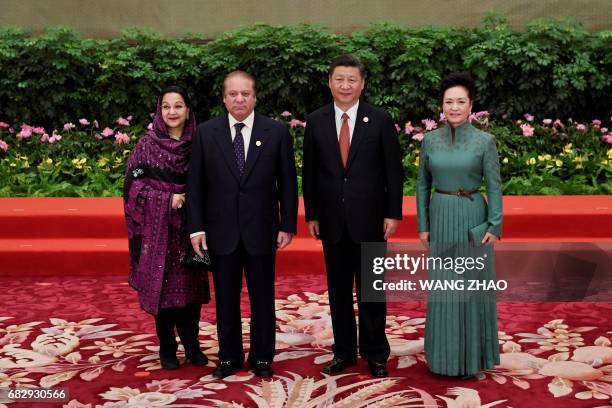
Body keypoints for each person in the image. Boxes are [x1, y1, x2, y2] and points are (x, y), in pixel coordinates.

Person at [186, 71, 298, 379]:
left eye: (245, 94)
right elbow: (194, 184)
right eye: (233, 94)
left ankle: (262, 357)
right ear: (223, 98)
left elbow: (288, 183)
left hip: (262, 231)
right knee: (226, 299)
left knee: (263, 298)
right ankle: (230, 356)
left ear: (255, 97)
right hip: (220, 232)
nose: (239, 99)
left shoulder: (275, 132)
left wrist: (287, 223)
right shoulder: (206, 133)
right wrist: (196, 227)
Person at [302, 54, 404, 378]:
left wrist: (393, 213)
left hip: (372, 220)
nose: (345, 85)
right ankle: (344, 352)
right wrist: (312, 214)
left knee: (372, 290)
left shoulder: (380, 120)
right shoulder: (316, 121)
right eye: (339, 79)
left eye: (352, 80)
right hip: (331, 220)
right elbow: (310, 172)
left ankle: (375, 353)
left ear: (362, 83)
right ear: (329, 82)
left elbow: (394, 172)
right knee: (339, 291)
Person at [416, 72, 502, 377]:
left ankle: (473, 358)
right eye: (448, 102)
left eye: (460, 101)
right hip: (440, 216)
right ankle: (442, 359)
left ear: (471, 106)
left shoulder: (485, 141)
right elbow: (422, 186)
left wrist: (495, 225)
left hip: (472, 217)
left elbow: (494, 185)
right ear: (442, 106)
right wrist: (423, 224)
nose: (454, 107)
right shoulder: (430, 140)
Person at [124, 86, 210, 370]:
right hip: (157, 232)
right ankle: (167, 347)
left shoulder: (200, 143)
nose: (172, 112)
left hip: (191, 230)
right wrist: (165, 199)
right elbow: (132, 186)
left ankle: (192, 344)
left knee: (190, 292)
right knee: (162, 291)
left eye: (178, 106)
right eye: (166, 106)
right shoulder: (147, 144)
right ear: (159, 111)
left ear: (188, 110)